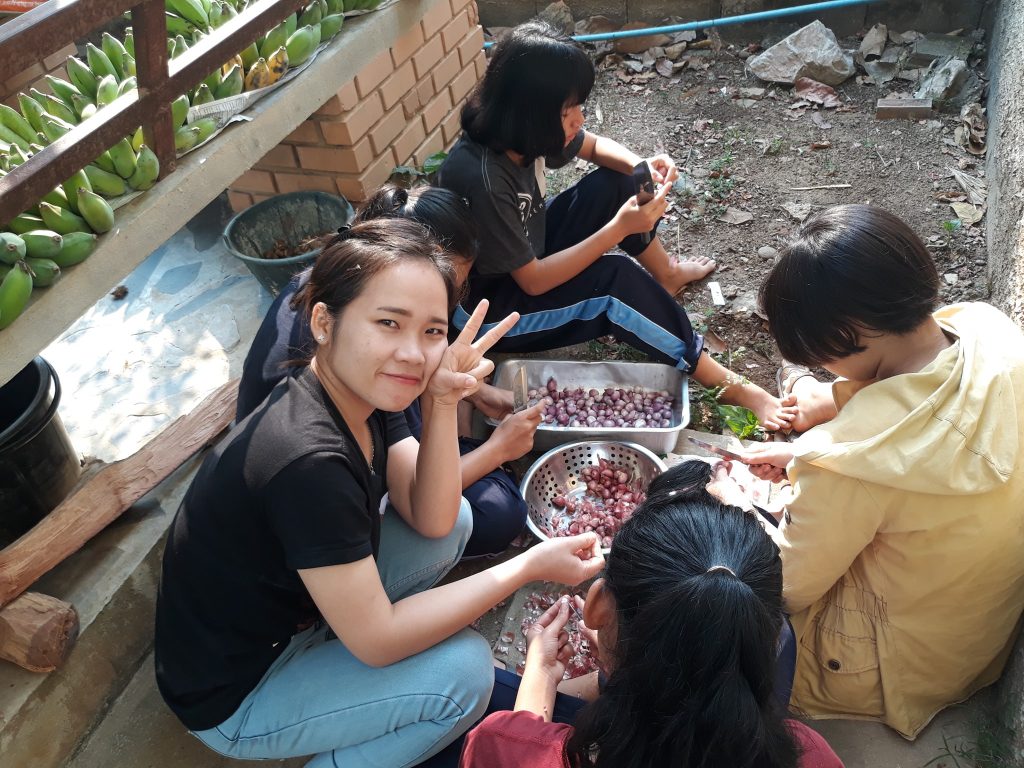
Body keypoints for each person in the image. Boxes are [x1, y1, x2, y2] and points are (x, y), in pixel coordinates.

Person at [155, 218, 605, 768]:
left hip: (299, 619)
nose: (413, 354)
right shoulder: (307, 461)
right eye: (389, 322)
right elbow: (378, 641)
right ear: (324, 322)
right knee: (464, 673)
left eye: (432, 331)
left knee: (458, 522)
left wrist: (441, 401)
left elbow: (433, 517)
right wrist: (526, 567)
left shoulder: (360, 394)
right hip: (239, 692)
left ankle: (340, 664)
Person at [738, 204, 1024, 738]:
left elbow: (786, 587)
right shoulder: (988, 329)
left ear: (846, 334)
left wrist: (740, 507)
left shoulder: (846, 462)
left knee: (725, 602)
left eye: (821, 357)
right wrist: (806, 458)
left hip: (879, 667)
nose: (823, 368)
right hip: (970, 641)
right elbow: (920, 420)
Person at [437, 22, 795, 431]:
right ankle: (731, 385)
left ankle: (667, 274)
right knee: (613, 283)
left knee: (623, 180)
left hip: (524, 253)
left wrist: (639, 165)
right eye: (568, 112)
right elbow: (533, 282)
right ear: (532, 113)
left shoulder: (517, 130)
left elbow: (592, 146)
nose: (580, 119)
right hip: (489, 310)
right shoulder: (483, 179)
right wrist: (617, 229)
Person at [459, 459, 844, 768]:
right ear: (761, 633)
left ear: (596, 607)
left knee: (483, 680)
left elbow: (515, 744)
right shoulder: (812, 753)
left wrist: (541, 675)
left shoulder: (505, 747)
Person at [237, 184, 538, 558]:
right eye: (390, 323)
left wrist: (470, 394)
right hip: (318, 527)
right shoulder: (315, 440)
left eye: (434, 323)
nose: (413, 353)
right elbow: (419, 505)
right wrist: (495, 449)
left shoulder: (349, 291)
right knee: (493, 512)